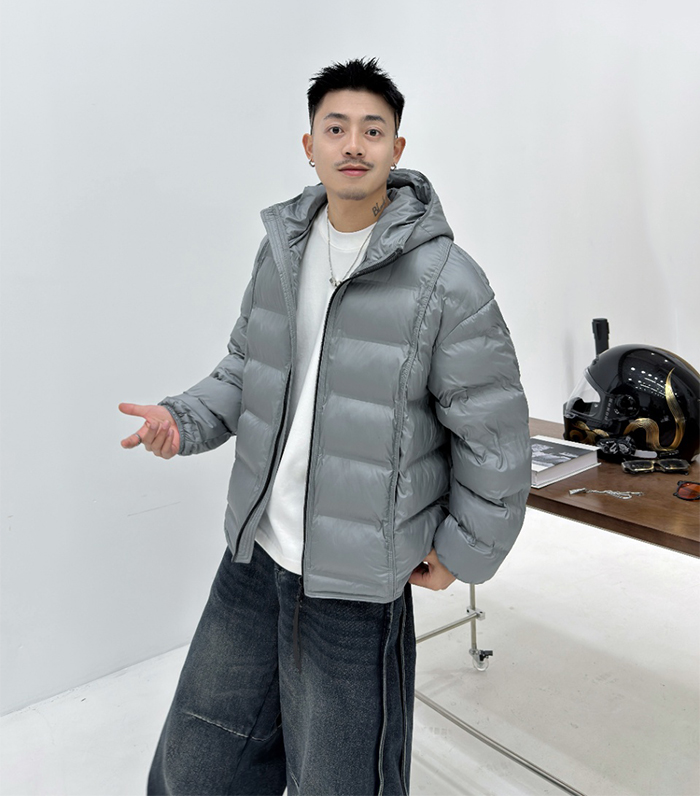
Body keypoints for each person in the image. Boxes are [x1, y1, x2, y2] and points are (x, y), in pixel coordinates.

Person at [120, 57, 531, 796]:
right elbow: (246, 368)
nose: (353, 144)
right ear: (309, 145)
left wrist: (464, 552)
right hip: (255, 555)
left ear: (397, 149)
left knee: (342, 781)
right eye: (335, 128)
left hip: (358, 584)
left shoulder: (446, 279)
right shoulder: (282, 250)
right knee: (198, 763)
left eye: (373, 130)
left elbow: (494, 433)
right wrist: (182, 420)